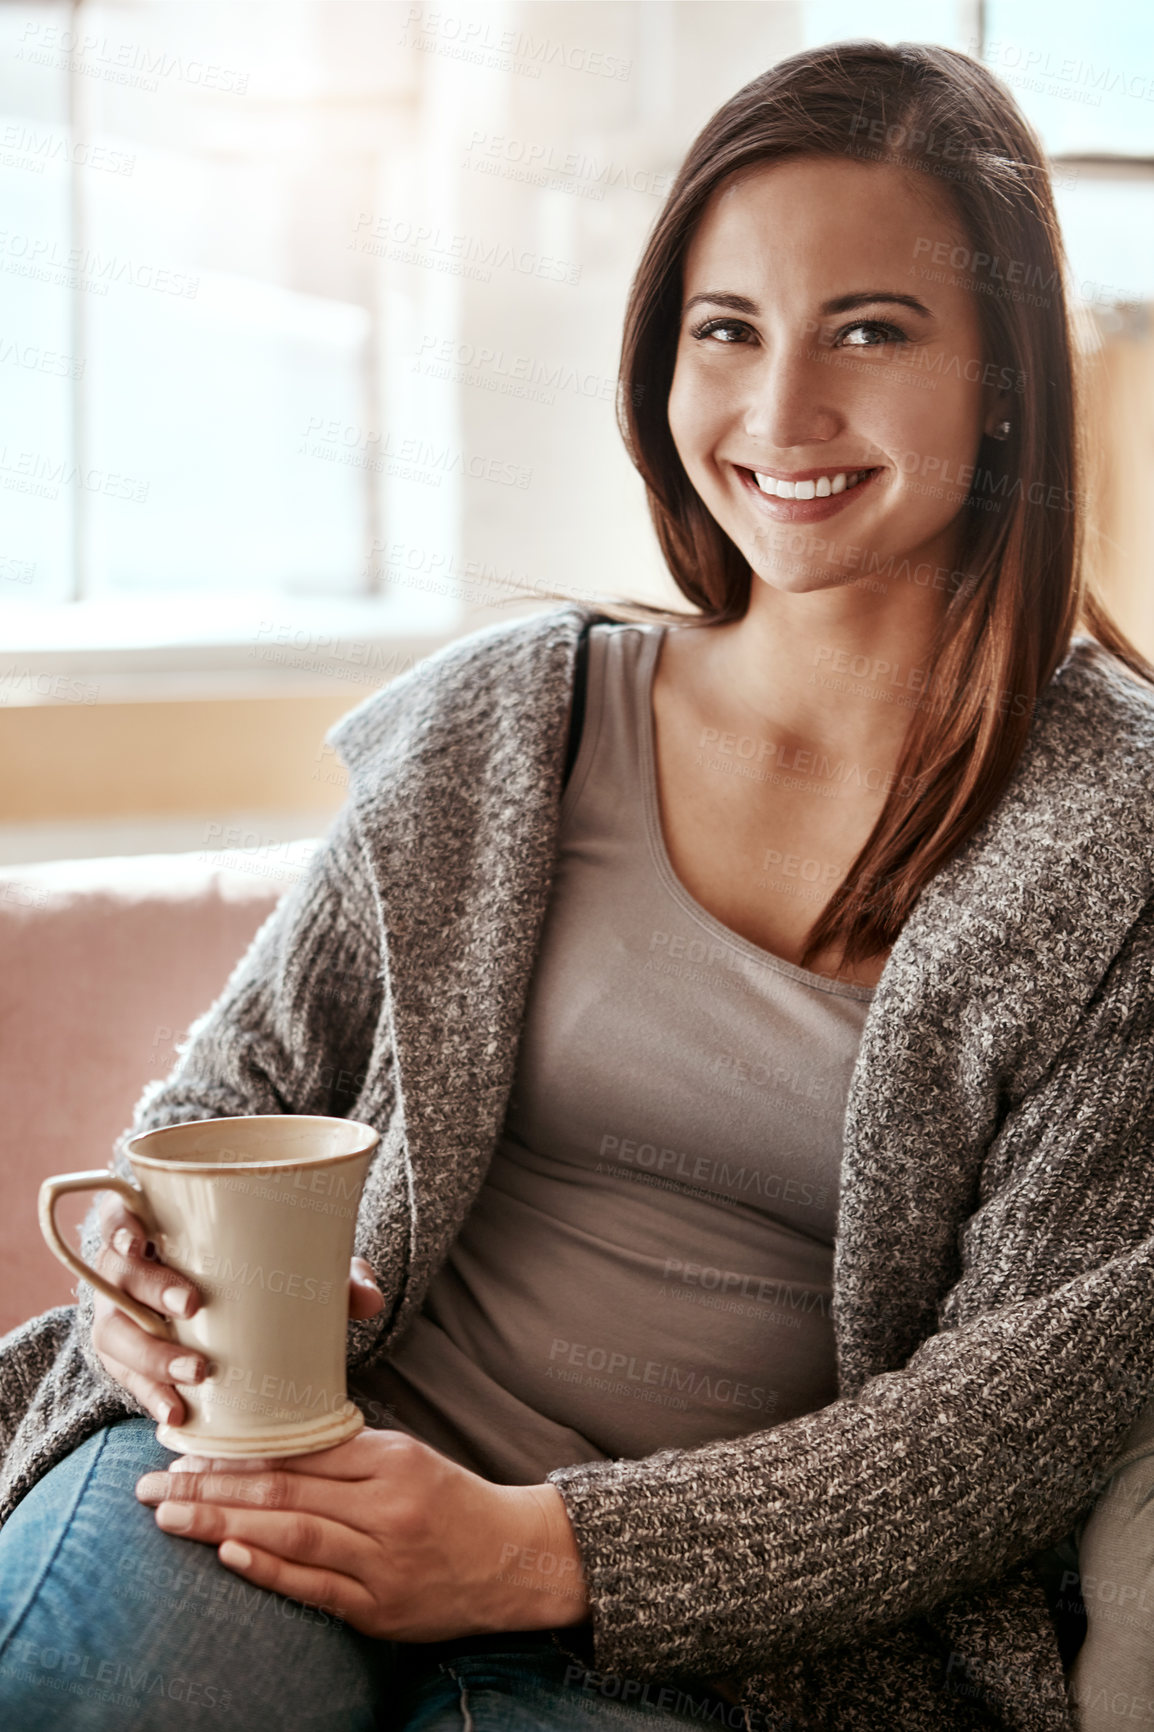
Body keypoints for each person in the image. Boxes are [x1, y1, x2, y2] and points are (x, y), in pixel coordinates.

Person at [3, 36, 1154, 1732]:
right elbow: (226, 1103)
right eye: (725, 331)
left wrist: (539, 1556)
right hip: (300, 1462)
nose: (780, 415)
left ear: (1002, 373)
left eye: (869, 330)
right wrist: (144, 1294)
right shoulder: (505, 721)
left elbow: (1014, 1411)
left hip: (729, 1643)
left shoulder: (1120, 841)